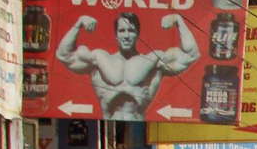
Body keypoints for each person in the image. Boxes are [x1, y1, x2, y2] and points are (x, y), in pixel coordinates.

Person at [53, 12, 199, 121]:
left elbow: (191, 54)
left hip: (138, 125)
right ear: (116, 35)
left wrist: (179, 21)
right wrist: (78, 24)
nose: (126, 35)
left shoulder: (153, 60)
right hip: (107, 126)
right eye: (122, 31)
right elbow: (64, 55)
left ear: (138, 34)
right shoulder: (99, 59)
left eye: (131, 30)